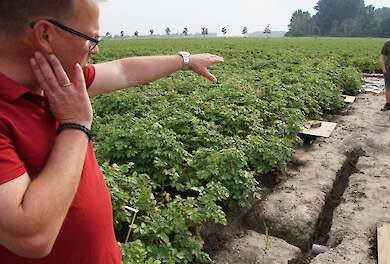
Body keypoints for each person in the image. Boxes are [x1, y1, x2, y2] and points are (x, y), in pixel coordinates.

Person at [0, 0, 223, 263]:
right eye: (90, 39)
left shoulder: (57, 83)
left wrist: (184, 60)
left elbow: (123, 70)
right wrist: (76, 124)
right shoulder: (51, 98)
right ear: (46, 34)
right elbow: (32, 237)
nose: (94, 51)